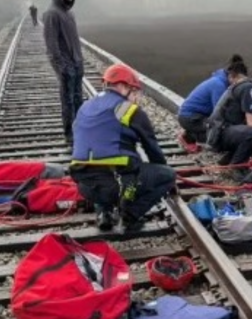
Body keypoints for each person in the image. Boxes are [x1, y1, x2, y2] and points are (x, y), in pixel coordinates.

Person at [69, 64, 176, 232]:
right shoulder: (130, 110)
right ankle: (129, 216)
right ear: (124, 86)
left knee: (98, 168)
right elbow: (152, 149)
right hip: (119, 188)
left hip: (85, 187)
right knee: (168, 176)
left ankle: (104, 212)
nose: (135, 96)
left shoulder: (85, 107)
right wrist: (164, 172)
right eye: (134, 91)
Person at [42, 0, 84, 144]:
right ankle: (69, 134)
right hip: (65, 65)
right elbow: (51, 44)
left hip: (76, 63)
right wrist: (61, 67)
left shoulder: (69, 13)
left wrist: (80, 61)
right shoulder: (52, 14)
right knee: (67, 101)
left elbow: (75, 40)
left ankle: (80, 130)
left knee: (78, 100)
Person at [177, 54, 247, 153]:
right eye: (238, 82)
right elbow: (219, 114)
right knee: (219, 133)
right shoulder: (219, 86)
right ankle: (189, 136)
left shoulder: (221, 80)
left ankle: (191, 133)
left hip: (195, 115)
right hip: (190, 118)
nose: (239, 85)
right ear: (231, 76)